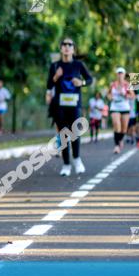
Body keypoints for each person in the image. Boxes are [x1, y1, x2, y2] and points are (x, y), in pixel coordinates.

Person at [45, 37, 93, 175]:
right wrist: (55, 77)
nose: (66, 47)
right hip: (60, 105)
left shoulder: (78, 65)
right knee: (63, 134)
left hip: (75, 104)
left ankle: (77, 160)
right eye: (64, 44)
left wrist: (81, 83)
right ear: (61, 48)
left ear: (73, 49)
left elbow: (89, 79)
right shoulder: (55, 66)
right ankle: (66, 165)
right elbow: (49, 85)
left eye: (69, 44)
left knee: (75, 132)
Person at [108, 68, 133, 154]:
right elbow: (108, 94)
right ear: (116, 74)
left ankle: (121, 139)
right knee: (116, 124)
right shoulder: (112, 84)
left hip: (125, 107)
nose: (120, 75)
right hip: (115, 106)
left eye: (121, 73)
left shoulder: (127, 84)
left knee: (124, 128)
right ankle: (116, 146)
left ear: (124, 74)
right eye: (118, 73)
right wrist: (110, 97)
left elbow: (133, 96)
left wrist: (125, 94)